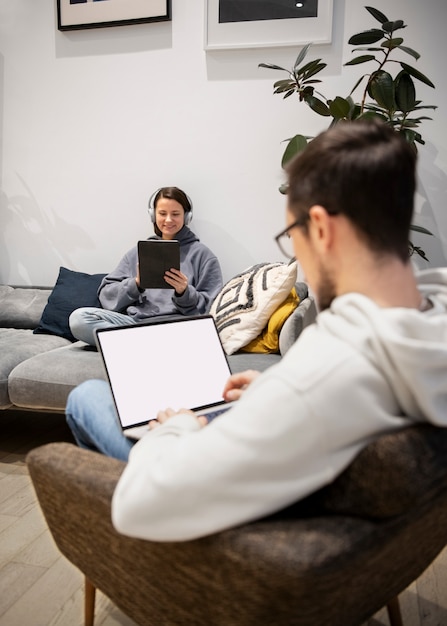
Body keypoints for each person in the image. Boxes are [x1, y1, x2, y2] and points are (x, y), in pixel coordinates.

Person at [66, 120, 447, 543]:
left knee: (86, 397)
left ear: (320, 229)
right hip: (282, 447)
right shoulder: (432, 322)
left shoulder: (321, 380)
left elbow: (140, 505)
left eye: (291, 236)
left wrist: (179, 428)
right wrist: (273, 387)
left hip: (208, 500)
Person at [69, 186, 223, 345]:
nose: (168, 220)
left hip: (177, 327)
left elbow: (213, 307)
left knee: (196, 334)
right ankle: (148, 345)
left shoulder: (204, 256)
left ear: (187, 216)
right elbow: (106, 295)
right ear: (153, 215)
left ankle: (138, 346)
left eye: (175, 214)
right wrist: (135, 284)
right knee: (79, 319)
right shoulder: (137, 252)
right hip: (136, 325)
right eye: (162, 213)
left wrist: (184, 292)